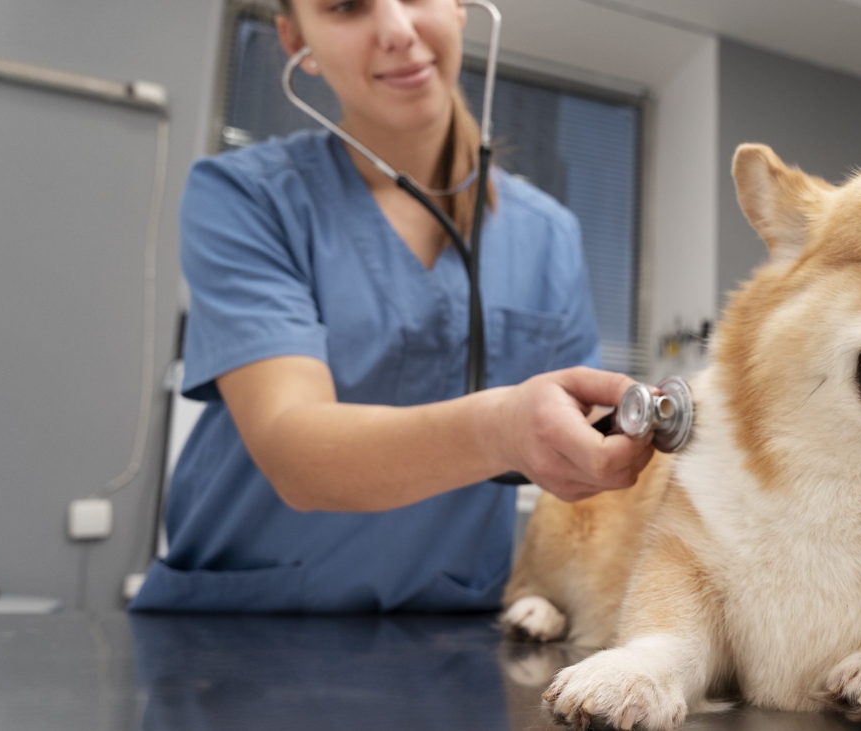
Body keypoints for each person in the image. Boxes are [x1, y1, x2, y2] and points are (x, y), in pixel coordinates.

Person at [130, 0, 654, 613]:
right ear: (297, 38)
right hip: (246, 633)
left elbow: (584, 460)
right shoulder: (246, 198)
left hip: (453, 642)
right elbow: (294, 450)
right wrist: (502, 430)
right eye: (347, 7)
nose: (398, 31)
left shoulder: (550, 236)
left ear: (460, 7)